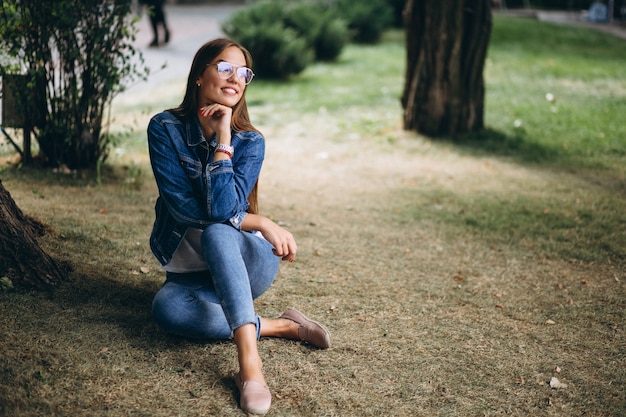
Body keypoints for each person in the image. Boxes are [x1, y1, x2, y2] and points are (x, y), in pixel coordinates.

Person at [146, 38, 331, 415]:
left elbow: (224, 211)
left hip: (248, 263)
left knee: (218, 231)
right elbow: (181, 209)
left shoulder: (250, 141)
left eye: (243, 73)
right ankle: (282, 326)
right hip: (190, 275)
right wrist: (259, 219)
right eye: (224, 68)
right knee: (168, 312)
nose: (235, 79)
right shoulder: (164, 128)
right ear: (200, 75)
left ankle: (250, 367)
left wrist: (224, 139)